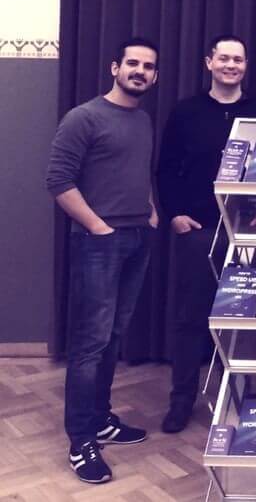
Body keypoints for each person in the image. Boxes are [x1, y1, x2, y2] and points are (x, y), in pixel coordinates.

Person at [46, 38, 160, 484]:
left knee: (112, 337)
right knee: (90, 344)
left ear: (155, 76)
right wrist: (98, 227)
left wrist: (151, 210)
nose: (139, 71)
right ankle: (81, 441)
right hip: (99, 243)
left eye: (148, 66)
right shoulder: (84, 117)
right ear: (115, 67)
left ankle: (100, 419)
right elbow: (58, 181)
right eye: (132, 63)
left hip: (137, 238)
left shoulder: (143, 119)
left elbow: (139, 172)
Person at [157, 34, 256, 434]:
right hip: (199, 230)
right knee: (190, 319)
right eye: (223, 58)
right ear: (209, 63)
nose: (230, 65)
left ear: (246, 66)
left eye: (238, 59)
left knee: (242, 320)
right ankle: (181, 400)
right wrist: (175, 214)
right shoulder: (185, 112)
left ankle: (237, 396)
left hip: (248, 232)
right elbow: (166, 169)